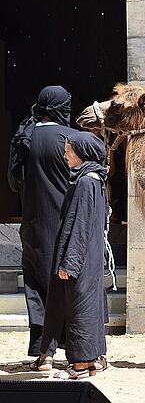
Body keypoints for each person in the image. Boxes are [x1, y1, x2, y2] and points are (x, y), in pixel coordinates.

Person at [8, 86, 77, 360]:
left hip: (33, 228)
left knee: (36, 289)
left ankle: (42, 354)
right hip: (63, 228)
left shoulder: (23, 137)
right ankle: (76, 352)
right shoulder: (71, 139)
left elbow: (14, 184)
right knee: (67, 289)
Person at [41, 131, 109, 379]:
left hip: (81, 258)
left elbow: (80, 225)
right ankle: (93, 362)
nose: (66, 154)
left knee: (80, 307)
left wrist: (69, 262)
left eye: (70, 150)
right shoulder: (94, 179)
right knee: (88, 306)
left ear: (82, 153)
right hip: (89, 257)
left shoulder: (85, 182)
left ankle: (81, 365)